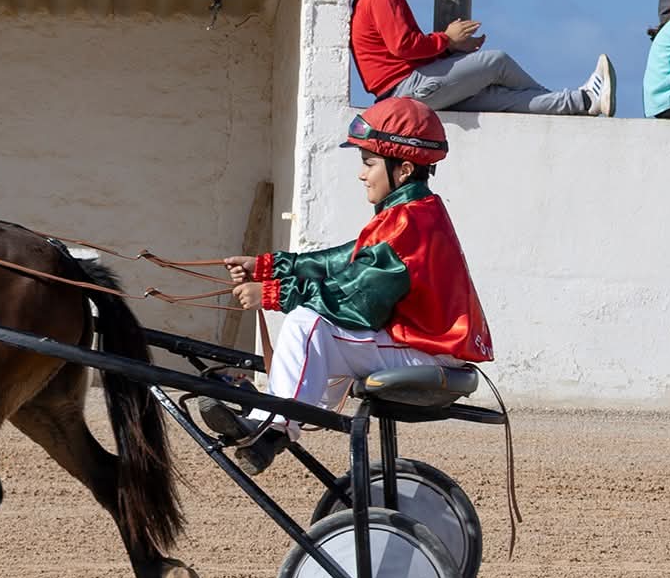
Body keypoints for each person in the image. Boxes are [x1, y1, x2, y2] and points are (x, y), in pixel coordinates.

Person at [201, 97, 493, 475]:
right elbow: (345, 260)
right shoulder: (410, 214)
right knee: (314, 333)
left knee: (309, 324)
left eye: (368, 163)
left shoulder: (410, 223)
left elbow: (358, 302)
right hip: (421, 348)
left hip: (426, 354)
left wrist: (273, 293)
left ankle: (271, 425)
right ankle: (271, 424)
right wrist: (268, 266)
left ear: (403, 169)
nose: (361, 174)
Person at [352, 0, 614, 117]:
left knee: (502, 99)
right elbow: (403, 46)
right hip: (406, 89)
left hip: (404, 93)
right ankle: (562, 97)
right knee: (496, 62)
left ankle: (584, 101)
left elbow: (402, 50)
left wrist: (448, 50)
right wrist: (447, 39)